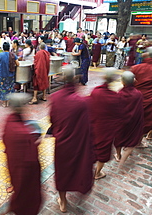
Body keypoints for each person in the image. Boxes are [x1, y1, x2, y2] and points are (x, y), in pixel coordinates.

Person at [49, 66, 94, 213]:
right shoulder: (81, 102)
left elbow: (52, 119)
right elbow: (87, 125)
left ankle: (62, 200)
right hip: (77, 143)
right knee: (77, 167)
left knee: (62, 171)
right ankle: (77, 188)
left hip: (62, 142)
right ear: (75, 80)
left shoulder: (54, 98)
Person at [3, 93, 42, 215]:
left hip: (12, 163)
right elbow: (31, 161)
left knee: (17, 185)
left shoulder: (9, 121)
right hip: (23, 172)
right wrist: (35, 142)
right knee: (25, 195)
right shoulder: (23, 133)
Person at [90, 68, 122, 179]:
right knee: (103, 152)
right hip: (107, 129)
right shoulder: (115, 97)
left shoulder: (95, 91)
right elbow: (118, 115)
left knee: (91, 149)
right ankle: (97, 173)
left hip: (93, 127)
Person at [114, 71, 144, 167]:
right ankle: (125, 154)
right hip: (133, 120)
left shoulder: (119, 94)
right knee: (132, 137)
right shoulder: (138, 94)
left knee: (119, 137)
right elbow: (140, 108)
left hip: (121, 121)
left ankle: (118, 155)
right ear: (134, 81)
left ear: (123, 82)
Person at [0, 42, 19, 107]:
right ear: (9, 48)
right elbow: (17, 64)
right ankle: (8, 102)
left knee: (3, 88)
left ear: (3, 48)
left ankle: (4, 103)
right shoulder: (13, 55)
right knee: (10, 88)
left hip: (2, 74)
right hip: (10, 74)